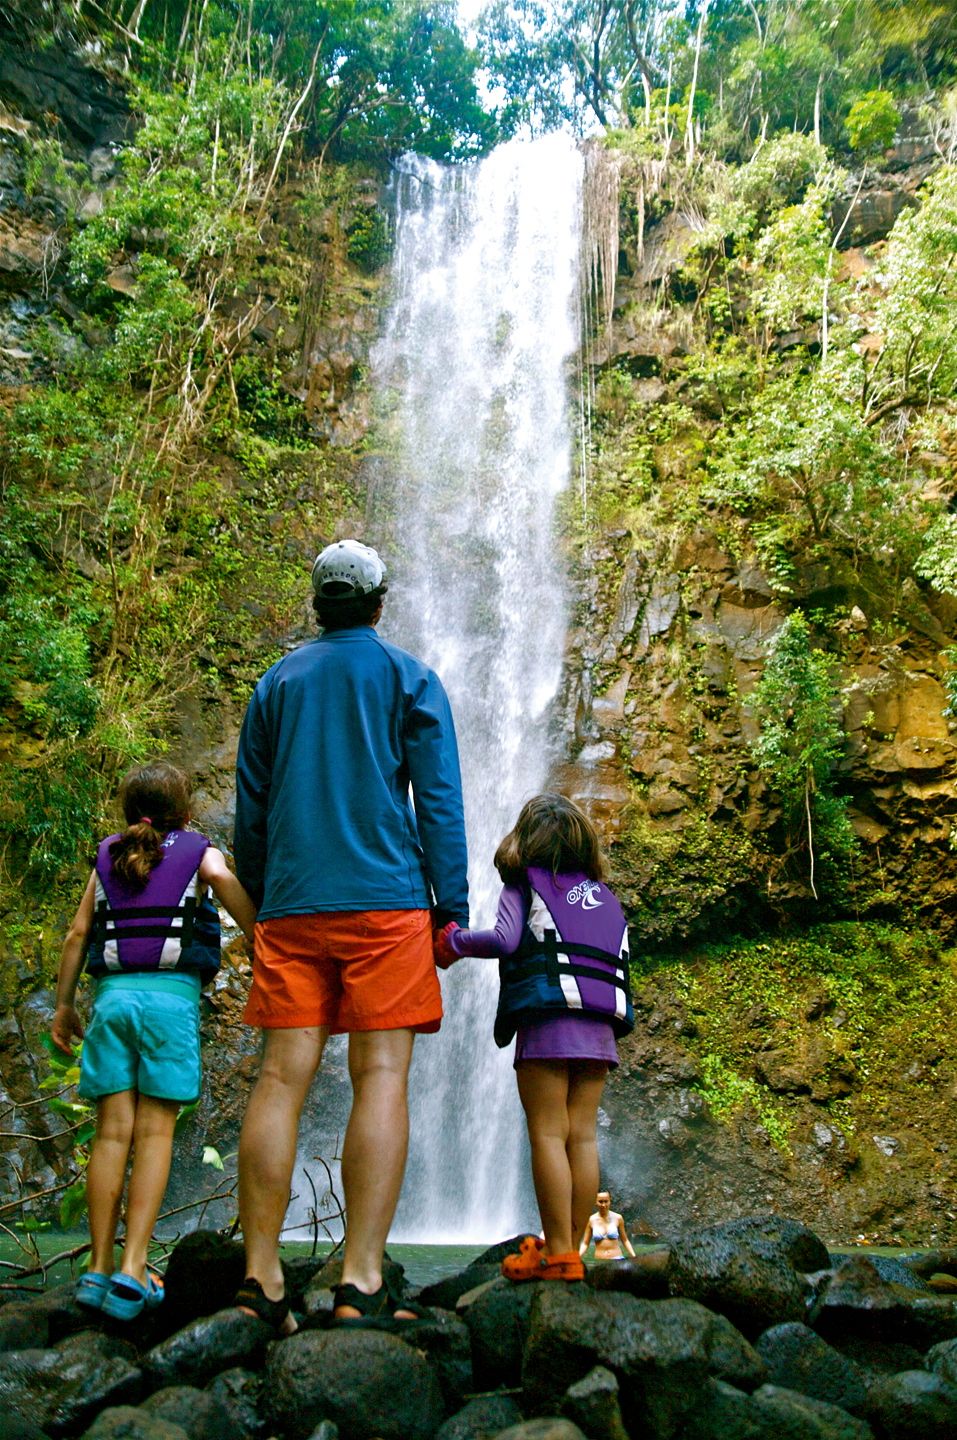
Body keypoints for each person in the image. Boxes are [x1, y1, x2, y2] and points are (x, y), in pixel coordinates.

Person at [233, 538, 468, 1332]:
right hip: (387, 905)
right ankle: (360, 1278)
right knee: (382, 1077)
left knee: (279, 1079)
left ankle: (260, 1276)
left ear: (316, 604)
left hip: (295, 902)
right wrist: (452, 905)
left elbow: (252, 809)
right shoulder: (409, 677)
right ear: (378, 600)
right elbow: (437, 799)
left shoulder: (277, 682)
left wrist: (267, 901)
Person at [52, 760, 256, 1321]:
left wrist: (65, 1007)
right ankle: (134, 1268)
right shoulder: (198, 851)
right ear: (185, 811)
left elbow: (76, 935)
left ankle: (96, 1268)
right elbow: (232, 894)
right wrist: (269, 949)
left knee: (111, 1133)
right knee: (155, 1133)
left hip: (113, 1002)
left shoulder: (109, 855)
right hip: (169, 1004)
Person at [435, 792, 632, 1282]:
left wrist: (453, 942)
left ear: (525, 842)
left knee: (548, 1132)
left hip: (548, 1023)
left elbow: (505, 939)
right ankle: (575, 1254)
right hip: (599, 1031)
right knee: (582, 1136)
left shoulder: (525, 885)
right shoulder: (607, 900)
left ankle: (558, 1252)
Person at [580, 1190, 637, 1261]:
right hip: (599, 1261)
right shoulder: (591, 1219)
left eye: (606, 1201)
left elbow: (625, 1240)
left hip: (617, 1259)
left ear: (610, 1201)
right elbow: (585, 1243)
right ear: (595, 1202)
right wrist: (577, 1257)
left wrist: (634, 1257)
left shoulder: (618, 1218)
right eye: (600, 1201)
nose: (603, 1205)